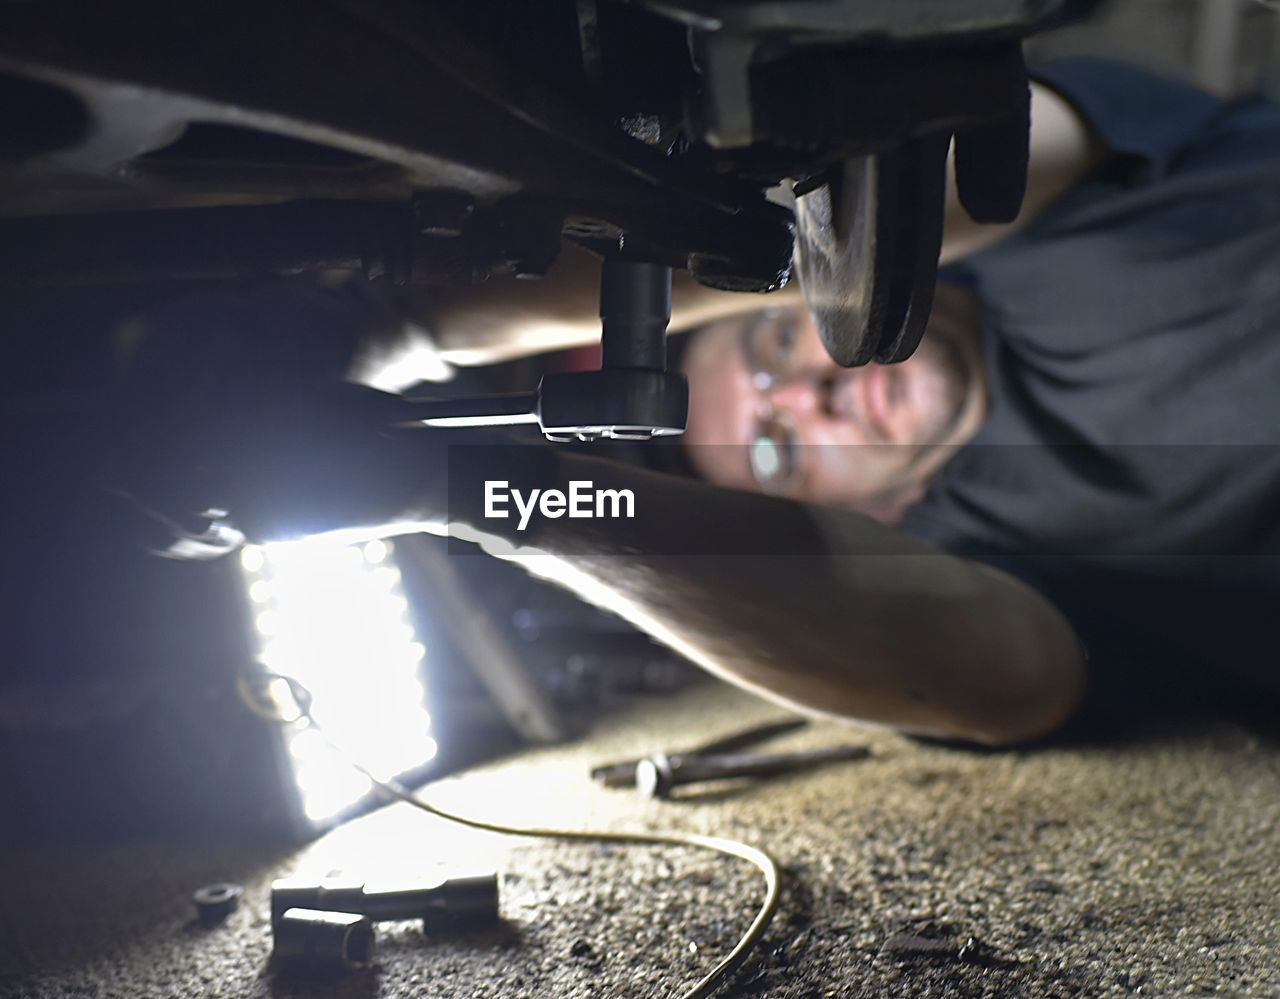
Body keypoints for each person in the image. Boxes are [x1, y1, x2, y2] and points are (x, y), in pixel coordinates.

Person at [128, 58, 1280, 748]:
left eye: (775, 342)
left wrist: (394, 324)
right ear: (861, 519)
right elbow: (997, 679)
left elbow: (919, 182)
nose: (809, 392)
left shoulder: (1066, 196)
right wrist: (476, 492)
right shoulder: (985, 567)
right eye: (778, 452)